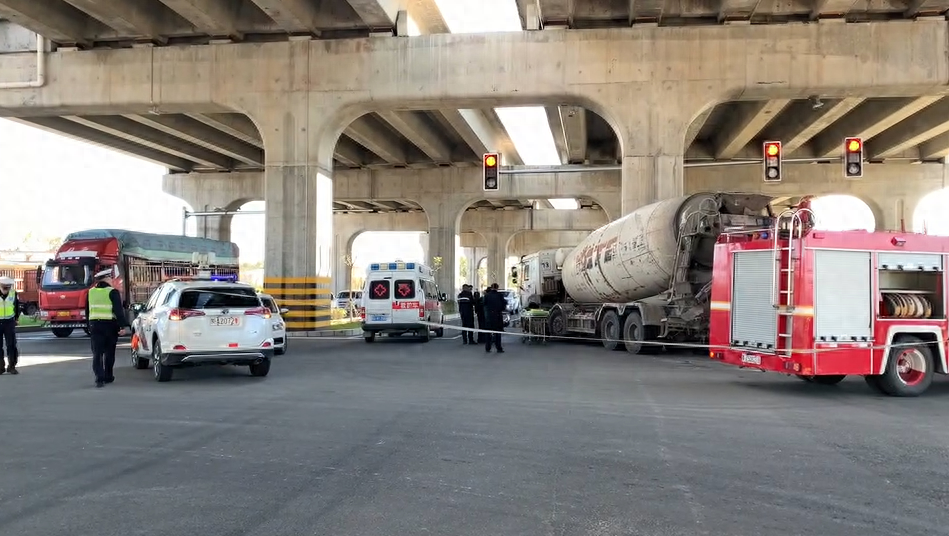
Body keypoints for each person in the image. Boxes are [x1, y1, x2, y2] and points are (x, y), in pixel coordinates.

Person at [85, 268, 129, 388]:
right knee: (109, 353)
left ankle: (99, 378)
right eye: (110, 278)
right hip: (110, 326)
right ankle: (108, 376)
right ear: (106, 278)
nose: (111, 280)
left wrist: (89, 326)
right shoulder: (112, 292)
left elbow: (87, 311)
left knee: (97, 353)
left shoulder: (90, 292)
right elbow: (118, 311)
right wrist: (122, 326)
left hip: (95, 326)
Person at [0, 276, 20, 375]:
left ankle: (11, 366)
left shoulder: (13, 293)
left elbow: (16, 307)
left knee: (11, 345)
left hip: (9, 322)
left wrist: (16, 318)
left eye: (8, 287)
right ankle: (0, 367)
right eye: (4, 287)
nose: (6, 290)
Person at [483, 283, 506, 353]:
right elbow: (503, 305)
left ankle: (487, 347)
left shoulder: (486, 295)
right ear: (497, 288)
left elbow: (484, 304)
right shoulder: (500, 295)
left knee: (488, 333)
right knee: (497, 333)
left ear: (491, 287)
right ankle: (498, 348)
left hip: (489, 316)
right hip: (497, 316)